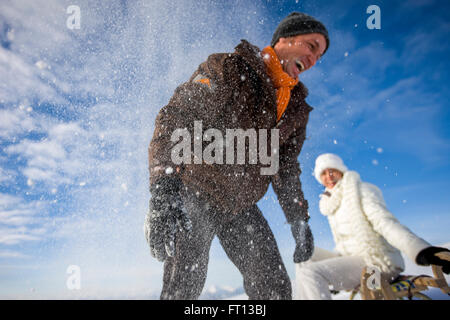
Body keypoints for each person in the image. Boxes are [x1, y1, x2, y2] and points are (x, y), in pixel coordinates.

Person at [144, 12, 329, 300]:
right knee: (184, 284)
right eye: (312, 46)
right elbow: (176, 117)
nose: (314, 59)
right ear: (285, 38)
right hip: (197, 191)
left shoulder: (295, 109)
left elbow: (286, 168)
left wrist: (298, 219)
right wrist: (164, 186)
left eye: (320, 55)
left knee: (275, 288)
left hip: (241, 206)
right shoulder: (231, 68)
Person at [294, 153, 450, 300]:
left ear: (341, 171)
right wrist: (333, 271)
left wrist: (421, 249)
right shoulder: (330, 202)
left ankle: (320, 281)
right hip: (351, 258)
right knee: (303, 253)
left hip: (376, 263)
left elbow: (385, 223)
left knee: (310, 273)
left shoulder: (359, 190)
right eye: (324, 173)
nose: (329, 176)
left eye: (332, 170)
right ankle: (319, 286)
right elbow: (345, 244)